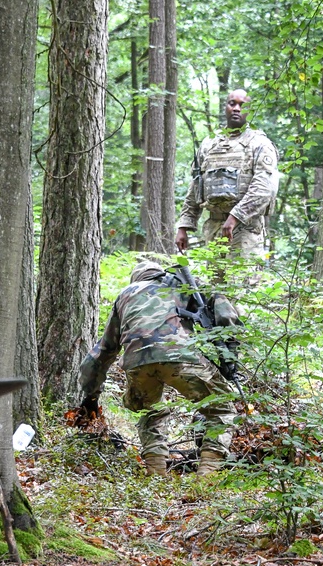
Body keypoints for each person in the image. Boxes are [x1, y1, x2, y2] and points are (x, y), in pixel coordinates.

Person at [77, 258, 239, 476]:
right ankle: (207, 475)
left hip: (136, 362)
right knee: (221, 408)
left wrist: (90, 395)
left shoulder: (125, 295)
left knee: (151, 412)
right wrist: (231, 354)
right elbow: (224, 310)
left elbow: (103, 353)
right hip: (180, 356)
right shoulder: (182, 283)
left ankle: (156, 474)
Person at [175, 88, 279, 260]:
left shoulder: (260, 144)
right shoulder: (210, 144)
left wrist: (234, 218)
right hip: (213, 229)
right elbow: (196, 186)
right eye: (232, 104)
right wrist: (184, 226)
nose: (237, 108)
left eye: (242, 105)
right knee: (215, 285)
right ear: (226, 107)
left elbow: (262, 190)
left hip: (246, 231)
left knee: (243, 283)